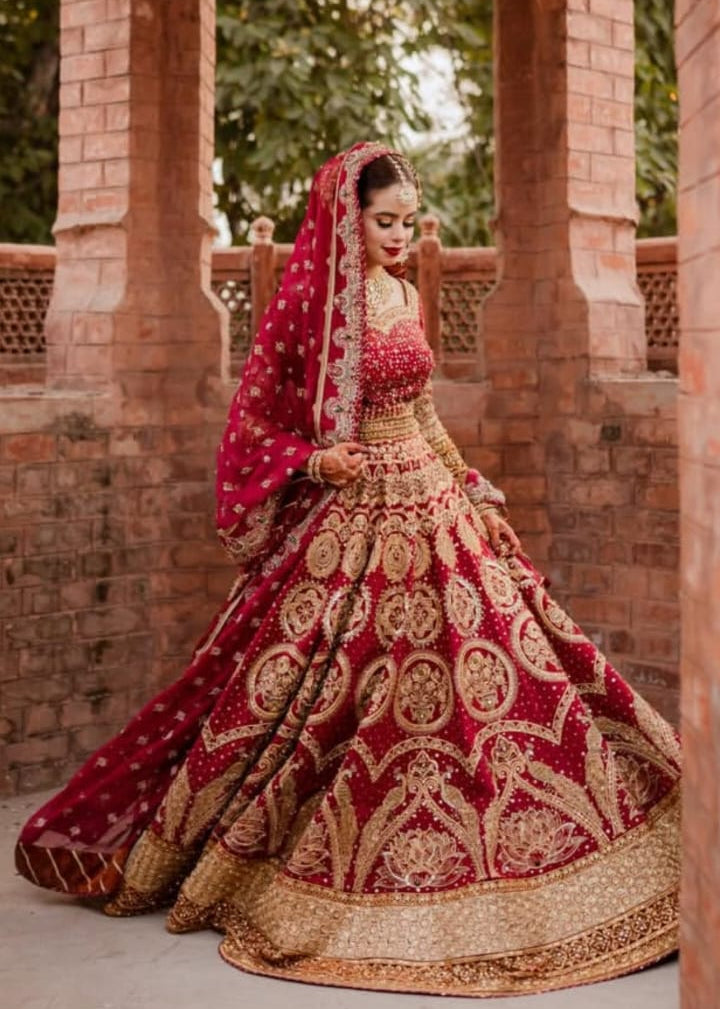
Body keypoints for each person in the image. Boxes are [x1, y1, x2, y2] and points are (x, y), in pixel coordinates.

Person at [15, 141, 680, 998]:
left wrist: (471, 486)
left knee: (513, 663)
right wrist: (316, 462)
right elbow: (251, 422)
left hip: (434, 504)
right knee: (330, 691)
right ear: (348, 217)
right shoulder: (316, 309)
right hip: (354, 517)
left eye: (408, 221)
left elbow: (423, 409)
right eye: (384, 221)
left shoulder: (404, 292)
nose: (399, 237)